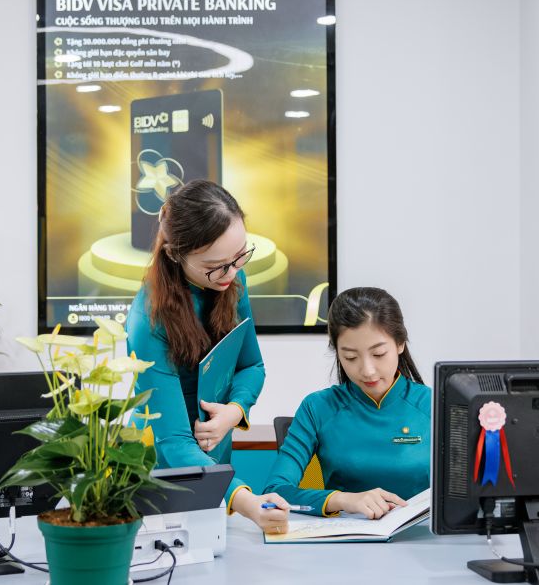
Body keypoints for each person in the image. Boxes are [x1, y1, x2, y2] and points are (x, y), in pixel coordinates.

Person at [127, 179, 290, 534]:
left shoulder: (232, 280)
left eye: (240, 256)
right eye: (216, 266)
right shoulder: (147, 320)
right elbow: (173, 443)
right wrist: (248, 502)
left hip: (216, 464)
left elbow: (251, 366)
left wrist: (234, 412)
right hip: (162, 471)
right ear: (174, 254)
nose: (232, 273)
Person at [262, 287, 430, 518]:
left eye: (379, 354)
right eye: (350, 357)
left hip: (422, 535)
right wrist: (342, 499)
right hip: (346, 536)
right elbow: (275, 492)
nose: (367, 370)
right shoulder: (318, 408)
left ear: (400, 344)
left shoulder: (434, 406)